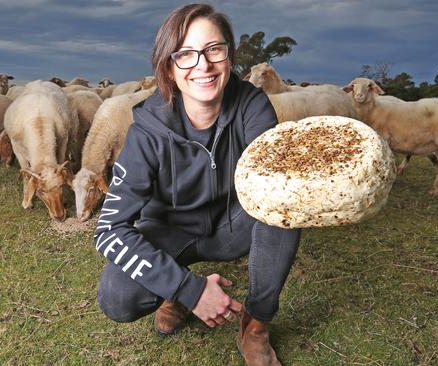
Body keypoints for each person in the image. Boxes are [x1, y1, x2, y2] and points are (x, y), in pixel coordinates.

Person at [94, 4, 300, 365]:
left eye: (214, 50)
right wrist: (187, 288)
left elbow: (274, 179)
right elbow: (109, 231)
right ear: (169, 67)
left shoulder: (252, 107)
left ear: (229, 56)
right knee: (117, 297)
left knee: (284, 208)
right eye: (186, 54)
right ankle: (172, 291)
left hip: (233, 225)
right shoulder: (147, 131)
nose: (202, 65)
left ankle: (256, 326)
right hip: (171, 231)